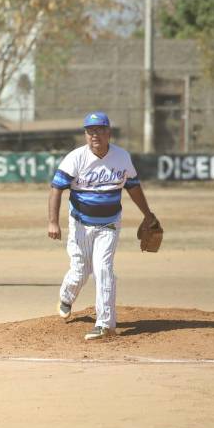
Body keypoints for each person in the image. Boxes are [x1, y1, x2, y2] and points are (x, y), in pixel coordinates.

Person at [48, 111, 158, 340]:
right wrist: (53, 222)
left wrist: (148, 215)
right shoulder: (75, 158)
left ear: (109, 132)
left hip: (109, 223)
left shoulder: (122, 157)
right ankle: (66, 297)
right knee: (80, 270)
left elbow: (133, 187)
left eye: (99, 129)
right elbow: (56, 188)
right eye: (90, 131)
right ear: (85, 134)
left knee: (103, 269)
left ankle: (105, 324)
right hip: (80, 223)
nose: (94, 134)